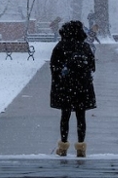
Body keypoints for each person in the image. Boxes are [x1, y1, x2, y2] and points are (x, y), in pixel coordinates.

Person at [49, 19, 96, 157]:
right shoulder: (85, 47)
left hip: (66, 89)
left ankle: (63, 147)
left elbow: (54, 67)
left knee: (65, 116)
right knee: (81, 117)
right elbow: (92, 66)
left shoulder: (60, 47)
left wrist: (61, 80)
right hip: (82, 89)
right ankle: (81, 148)